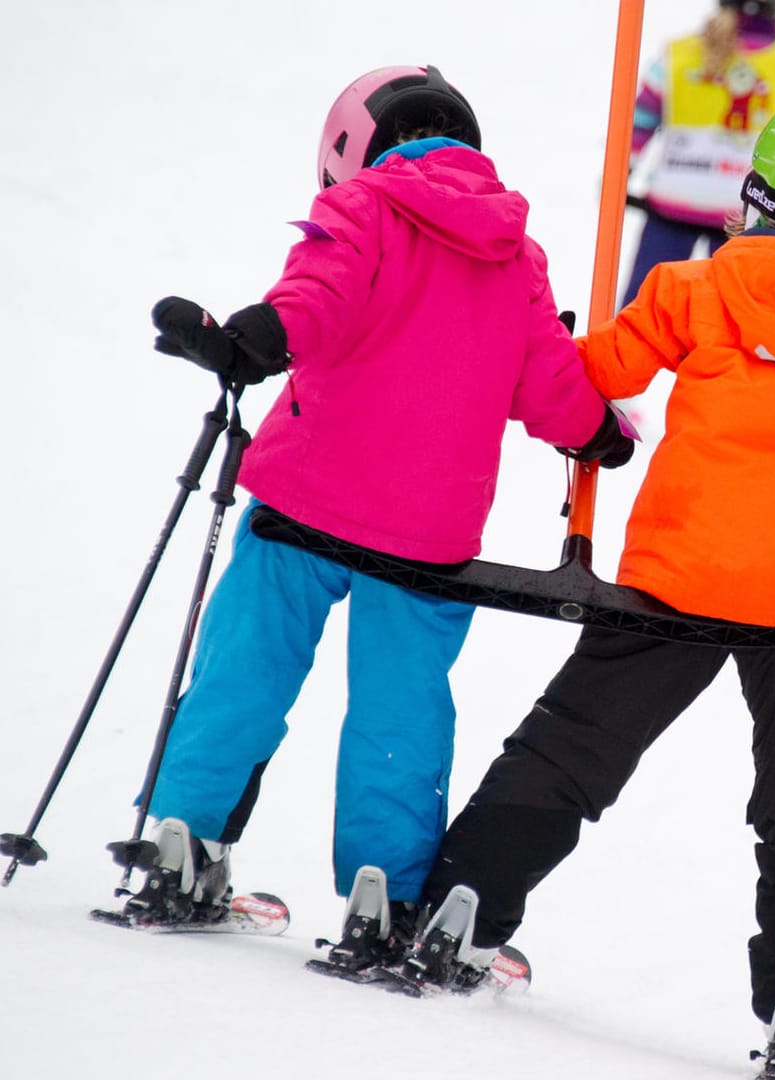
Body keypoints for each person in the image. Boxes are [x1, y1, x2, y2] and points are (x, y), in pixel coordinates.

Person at [397, 91, 775, 1062]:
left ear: (763, 193)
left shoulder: (691, 289)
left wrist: (555, 361)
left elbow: (599, 376)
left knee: (573, 747)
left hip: (673, 583)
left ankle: (464, 900)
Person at [122, 66, 635, 962]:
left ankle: (181, 838)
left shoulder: (362, 209)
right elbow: (550, 385)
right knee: (401, 707)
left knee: (245, 669)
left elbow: (311, 302)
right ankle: (383, 894)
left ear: (350, 150)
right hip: (426, 534)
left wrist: (251, 339)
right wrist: (599, 433)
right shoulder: (516, 254)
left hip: (301, 502)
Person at [620, 0, 775, 307]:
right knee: (729, 313)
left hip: (674, 200)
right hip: (742, 213)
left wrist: (624, 170)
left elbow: (641, 118)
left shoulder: (679, 54)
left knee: (646, 304)